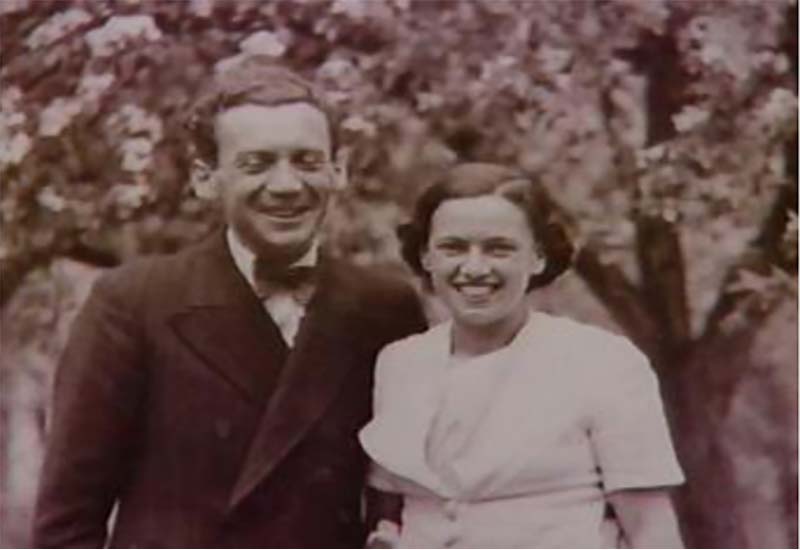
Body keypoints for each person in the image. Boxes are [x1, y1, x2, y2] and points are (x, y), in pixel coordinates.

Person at [32, 56, 427, 548]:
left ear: (338, 171)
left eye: (307, 161)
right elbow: (66, 523)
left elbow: (403, 489)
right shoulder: (134, 303)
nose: (286, 185)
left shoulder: (383, 307)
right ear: (206, 179)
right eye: (256, 164)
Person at [359, 163, 685, 548]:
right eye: (453, 247)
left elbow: (651, 529)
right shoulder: (400, 364)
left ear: (538, 258)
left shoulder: (603, 363)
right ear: (427, 257)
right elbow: (393, 507)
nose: (474, 267)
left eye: (499, 248)